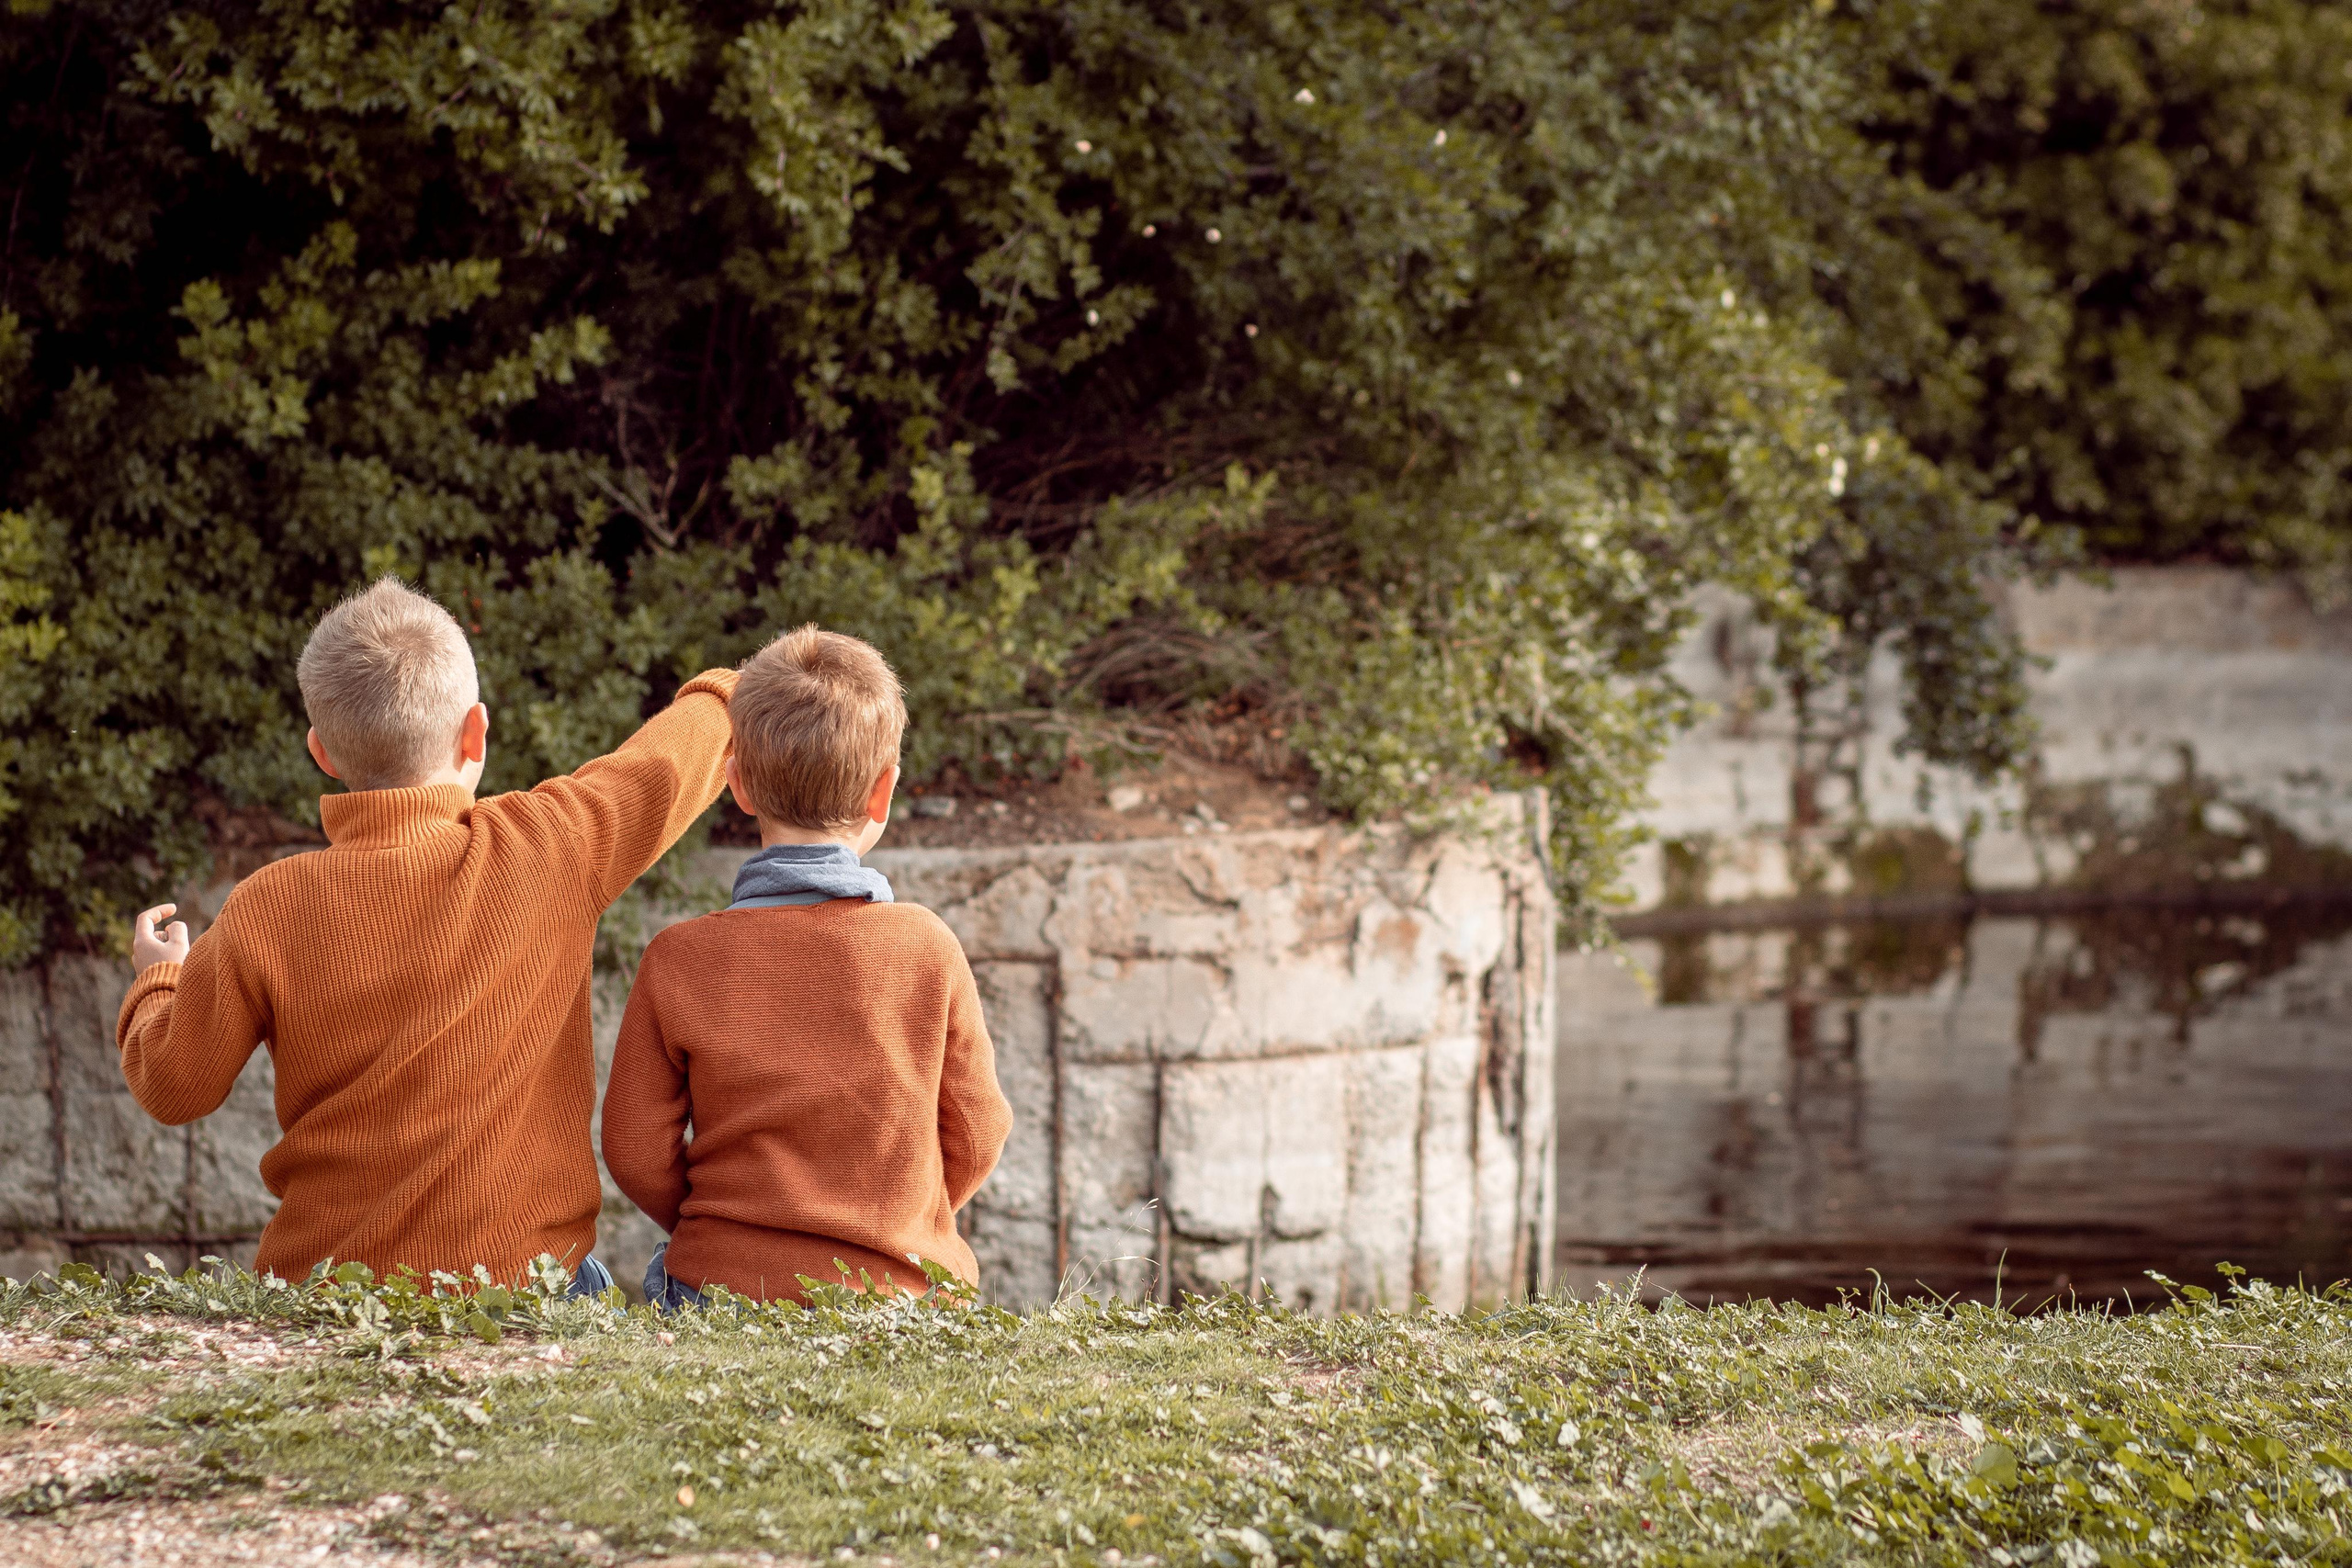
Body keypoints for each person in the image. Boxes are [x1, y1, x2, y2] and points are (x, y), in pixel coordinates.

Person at [117, 577, 738, 1295]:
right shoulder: (550, 845)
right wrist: (738, 687)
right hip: (523, 1284)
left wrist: (159, 978)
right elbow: (668, 760)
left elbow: (173, 1086)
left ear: (321, 751)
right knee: (591, 1285)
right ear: (476, 732)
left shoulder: (268, 905)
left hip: (327, 1291)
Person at [602, 626, 1012, 1309]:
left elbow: (633, 1148)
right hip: (904, 1291)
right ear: (883, 793)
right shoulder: (927, 947)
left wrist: (726, 1227)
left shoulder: (677, 958)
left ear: (737, 785)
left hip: (719, 1286)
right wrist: (899, 1218)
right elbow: (978, 1127)